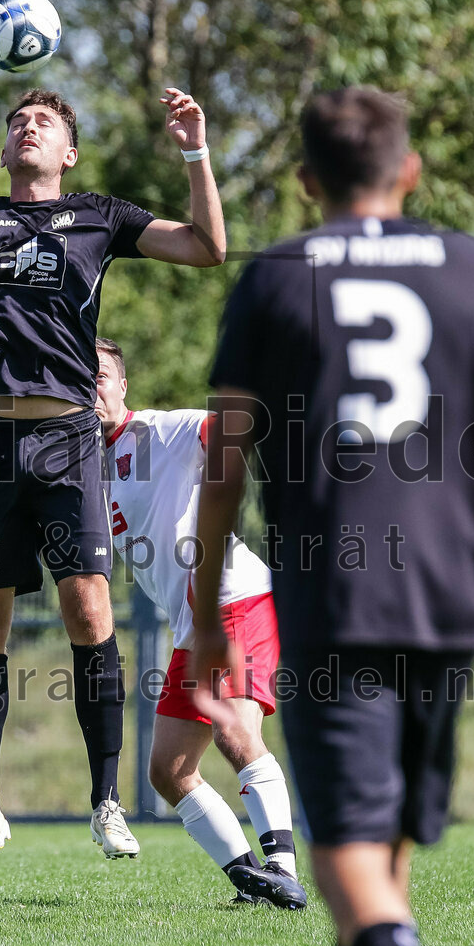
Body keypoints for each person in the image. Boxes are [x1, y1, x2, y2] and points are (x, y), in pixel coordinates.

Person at [190, 87, 474, 946]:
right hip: (452, 593)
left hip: (335, 590)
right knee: (384, 841)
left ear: (307, 181)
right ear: (410, 171)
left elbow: (223, 465)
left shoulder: (276, 276)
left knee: (347, 852)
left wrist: (205, 617)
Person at [0, 87, 226, 880]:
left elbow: (207, 248)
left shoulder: (98, 217)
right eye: (16, 122)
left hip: (67, 436)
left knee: (88, 609)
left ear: (68, 154)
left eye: (42, 122)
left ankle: (105, 801)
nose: (26, 127)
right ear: (3, 149)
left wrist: (193, 150)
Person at [95, 337, 307, 909]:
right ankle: (252, 882)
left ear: (122, 386)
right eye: (79, 379)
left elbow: (227, 428)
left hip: (238, 599)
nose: (91, 388)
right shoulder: (85, 464)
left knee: (234, 733)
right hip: (193, 625)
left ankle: (283, 870)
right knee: (168, 770)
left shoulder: (157, 431)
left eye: (101, 376)